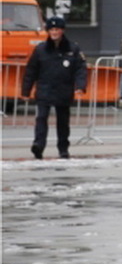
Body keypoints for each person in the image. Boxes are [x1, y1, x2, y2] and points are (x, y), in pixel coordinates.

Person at [21, 16, 87, 159]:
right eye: (51, 29)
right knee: (41, 118)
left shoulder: (73, 49)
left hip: (64, 91)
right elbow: (31, 70)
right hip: (45, 90)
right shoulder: (40, 49)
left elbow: (80, 69)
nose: (54, 32)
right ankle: (38, 145)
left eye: (57, 29)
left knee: (63, 122)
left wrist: (80, 86)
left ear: (62, 30)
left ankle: (63, 148)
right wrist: (25, 90)